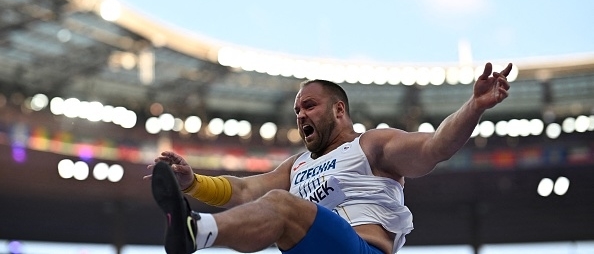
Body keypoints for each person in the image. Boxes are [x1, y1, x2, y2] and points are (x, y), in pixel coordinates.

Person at [147, 62, 513, 254]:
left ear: (339, 110)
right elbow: (244, 191)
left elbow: (436, 146)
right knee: (276, 202)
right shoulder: (296, 166)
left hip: (360, 251)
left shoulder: (371, 145)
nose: (300, 115)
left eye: (309, 105)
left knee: (281, 205)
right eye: (296, 111)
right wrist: (193, 183)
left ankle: (196, 232)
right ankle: (194, 230)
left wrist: (475, 106)